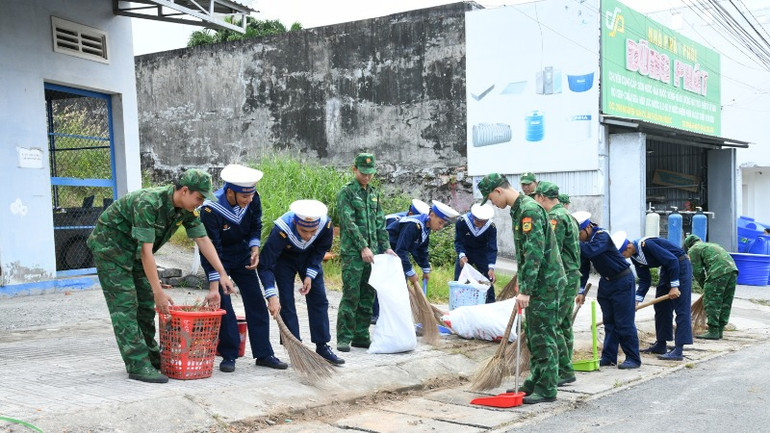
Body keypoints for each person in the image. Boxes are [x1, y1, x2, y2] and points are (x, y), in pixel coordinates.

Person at [87, 169, 234, 383]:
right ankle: (137, 364)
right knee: (125, 305)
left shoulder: (186, 209)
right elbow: (146, 252)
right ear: (184, 191)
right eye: (199, 198)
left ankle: (151, 356)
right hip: (111, 250)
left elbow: (203, 239)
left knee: (145, 306)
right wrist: (158, 292)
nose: (200, 203)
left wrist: (222, 274)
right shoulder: (148, 203)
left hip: (135, 253)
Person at [478, 173, 565, 405]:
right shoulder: (519, 209)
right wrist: (523, 281)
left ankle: (547, 388)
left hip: (545, 284)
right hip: (538, 282)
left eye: (491, 198)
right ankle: (536, 379)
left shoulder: (529, 210)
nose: (493, 204)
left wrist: (526, 290)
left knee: (544, 336)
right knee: (534, 335)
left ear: (499, 191)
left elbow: (534, 252)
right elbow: (526, 252)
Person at [199, 164, 287, 373]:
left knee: (256, 301)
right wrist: (218, 280)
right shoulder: (210, 209)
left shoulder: (253, 198)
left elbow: (256, 224)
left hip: (242, 254)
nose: (249, 199)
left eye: (251, 195)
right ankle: (229, 354)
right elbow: (212, 247)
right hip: (217, 257)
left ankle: (264, 353)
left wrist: (254, 248)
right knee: (224, 304)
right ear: (230, 192)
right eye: (244, 196)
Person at [257, 200, 345, 365]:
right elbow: (265, 264)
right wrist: (271, 294)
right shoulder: (281, 230)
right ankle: (296, 348)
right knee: (287, 303)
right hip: (284, 260)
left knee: (319, 299)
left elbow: (321, 249)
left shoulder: (325, 225)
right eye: (303, 230)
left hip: (310, 257)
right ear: (295, 222)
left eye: (312, 231)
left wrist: (310, 275)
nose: (308, 236)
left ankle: (322, 346)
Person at [336, 153, 395, 352]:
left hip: (373, 254)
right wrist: (363, 246)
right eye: (363, 173)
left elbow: (380, 223)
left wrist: (385, 246)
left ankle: (361, 336)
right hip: (353, 253)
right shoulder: (347, 193)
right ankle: (344, 337)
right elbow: (348, 223)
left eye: (370, 173)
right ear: (354, 169)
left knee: (368, 295)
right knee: (351, 294)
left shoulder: (373, 194)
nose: (367, 177)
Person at [572, 212, 641, 370]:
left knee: (624, 322)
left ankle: (633, 358)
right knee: (609, 322)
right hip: (606, 282)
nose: (579, 238)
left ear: (587, 228)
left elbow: (590, 251)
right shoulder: (585, 243)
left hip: (622, 280)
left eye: (579, 234)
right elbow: (583, 268)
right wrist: (581, 291)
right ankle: (609, 357)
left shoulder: (602, 236)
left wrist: (569, 241)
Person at [615, 232, 693, 361]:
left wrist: (674, 286)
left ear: (628, 247)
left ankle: (678, 350)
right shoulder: (635, 257)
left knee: (681, 308)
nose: (624, 257)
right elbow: (645, 280)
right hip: (667, 268)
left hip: (680, 265)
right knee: (661, 306)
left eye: (623, 254)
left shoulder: (646, 245)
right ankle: (661, 344)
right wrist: (636, 300)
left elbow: (672, 260)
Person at [533, 181, 580, 386]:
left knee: (554, 323)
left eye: (536, 198)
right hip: (571, 275)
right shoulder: (568, 215)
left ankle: (564, 369)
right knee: (564, 323)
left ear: (542, 197)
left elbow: (554, 250)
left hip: (562, 277)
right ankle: (564, 365)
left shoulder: (555, 217)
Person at [374, 198, 431, 322]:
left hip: (395, 253)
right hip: (382, 249)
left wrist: (425, 268)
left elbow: (418, 248)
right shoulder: (400, 221)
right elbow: (400, 249)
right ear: (411, 213)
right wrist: (410, 272)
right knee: (382, 282)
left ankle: (392, 314)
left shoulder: (421, 225)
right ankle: (375, 314)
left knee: (400, 283)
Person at [388, 200, 459, 293]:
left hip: (394, 255)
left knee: (400, 285)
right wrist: (410, 272)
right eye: (440, 222)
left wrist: (426, 270)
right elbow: (401, 250)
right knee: (390, 286)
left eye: (443, 224)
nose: (441, 227)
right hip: (385, 253)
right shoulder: (413, 225)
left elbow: (421, 249)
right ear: (432, 215)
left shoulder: (425, 226)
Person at [684, 234, 738, 340]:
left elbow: (697, 271)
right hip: (733, 271)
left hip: (718, 271)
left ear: (689, 245)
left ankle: (713, 331)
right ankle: (720, 330)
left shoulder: (693, 249)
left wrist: (704, 287)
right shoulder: (711, 245)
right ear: (699, 240)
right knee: (725, 301)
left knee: (712, 301)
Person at [453, 203, 497, 303]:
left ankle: (490, 303)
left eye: (483, 222)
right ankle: (458, 301)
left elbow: (492, 248)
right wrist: (461, 255)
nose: (480, 224)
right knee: (459, 278)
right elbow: (458, 241)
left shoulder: (491, 227)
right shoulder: (462, 222)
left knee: (487, 279)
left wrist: (491, 267)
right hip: (465, 252)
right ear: (473, 216)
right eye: (477, 221)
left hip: (481, 253)